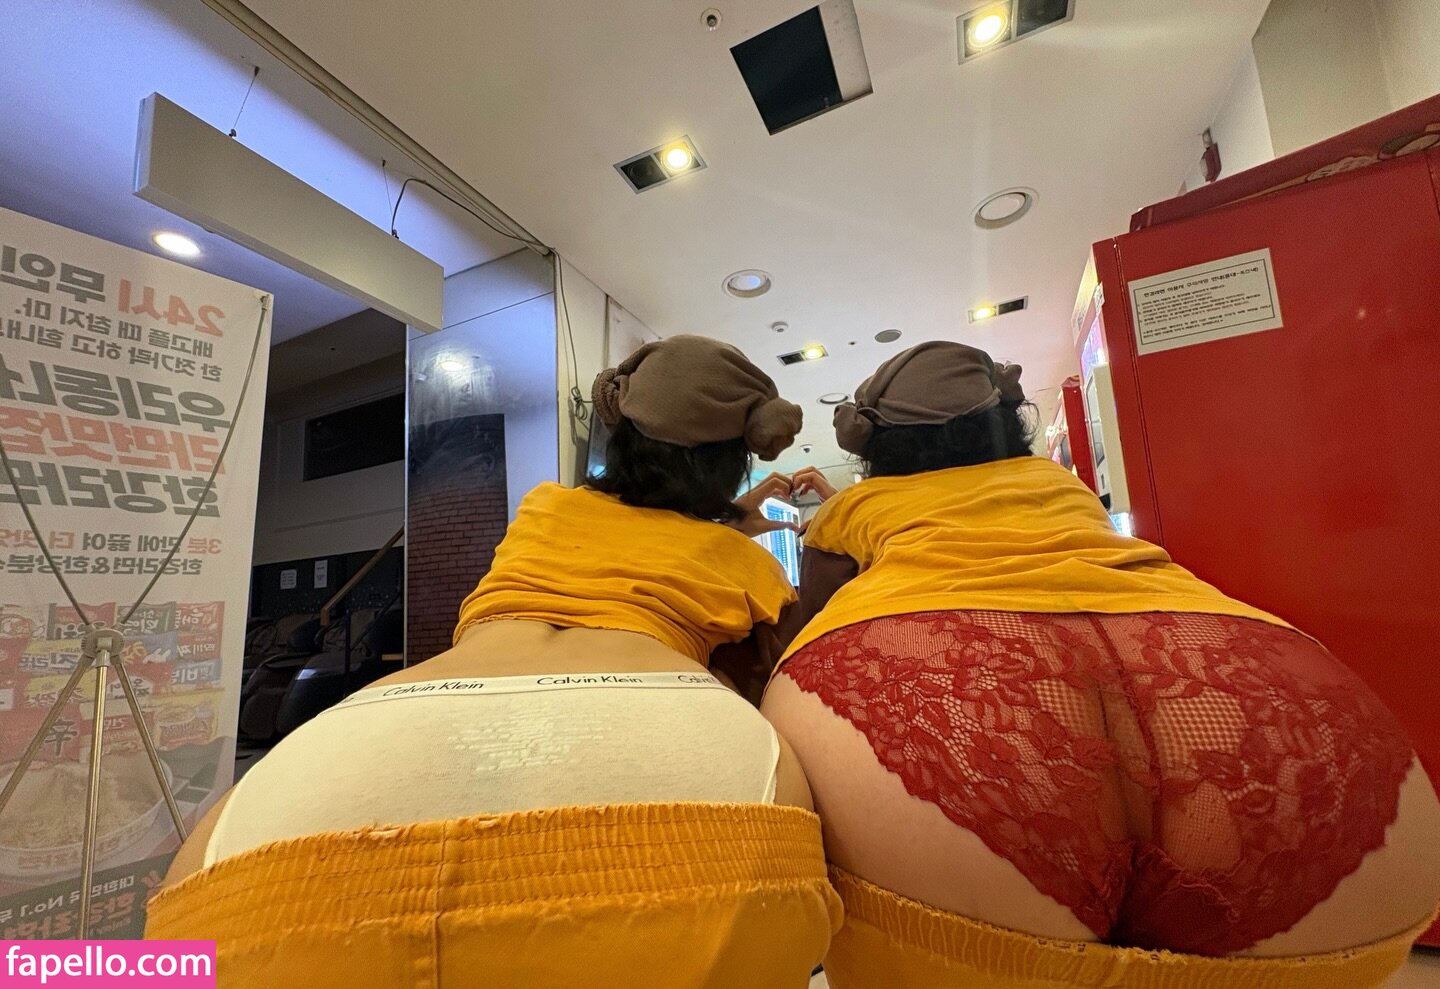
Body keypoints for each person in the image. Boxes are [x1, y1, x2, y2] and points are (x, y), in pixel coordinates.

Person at [148, 335, 842, 988]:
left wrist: (724, 514)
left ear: (622, 427)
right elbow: (771, 669)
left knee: (180, 948)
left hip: (381, 726)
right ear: (733, 460)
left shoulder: (546, 508)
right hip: (660, 734)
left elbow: (633, 518)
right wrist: (738, 525)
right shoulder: (746, 564)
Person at [763, 341, 1440, 988]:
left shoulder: (851, 508)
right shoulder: (1061, 484)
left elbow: (815, 616)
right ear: (1008, 426)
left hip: (940, 680)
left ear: (875, 451)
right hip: (1220, 650)